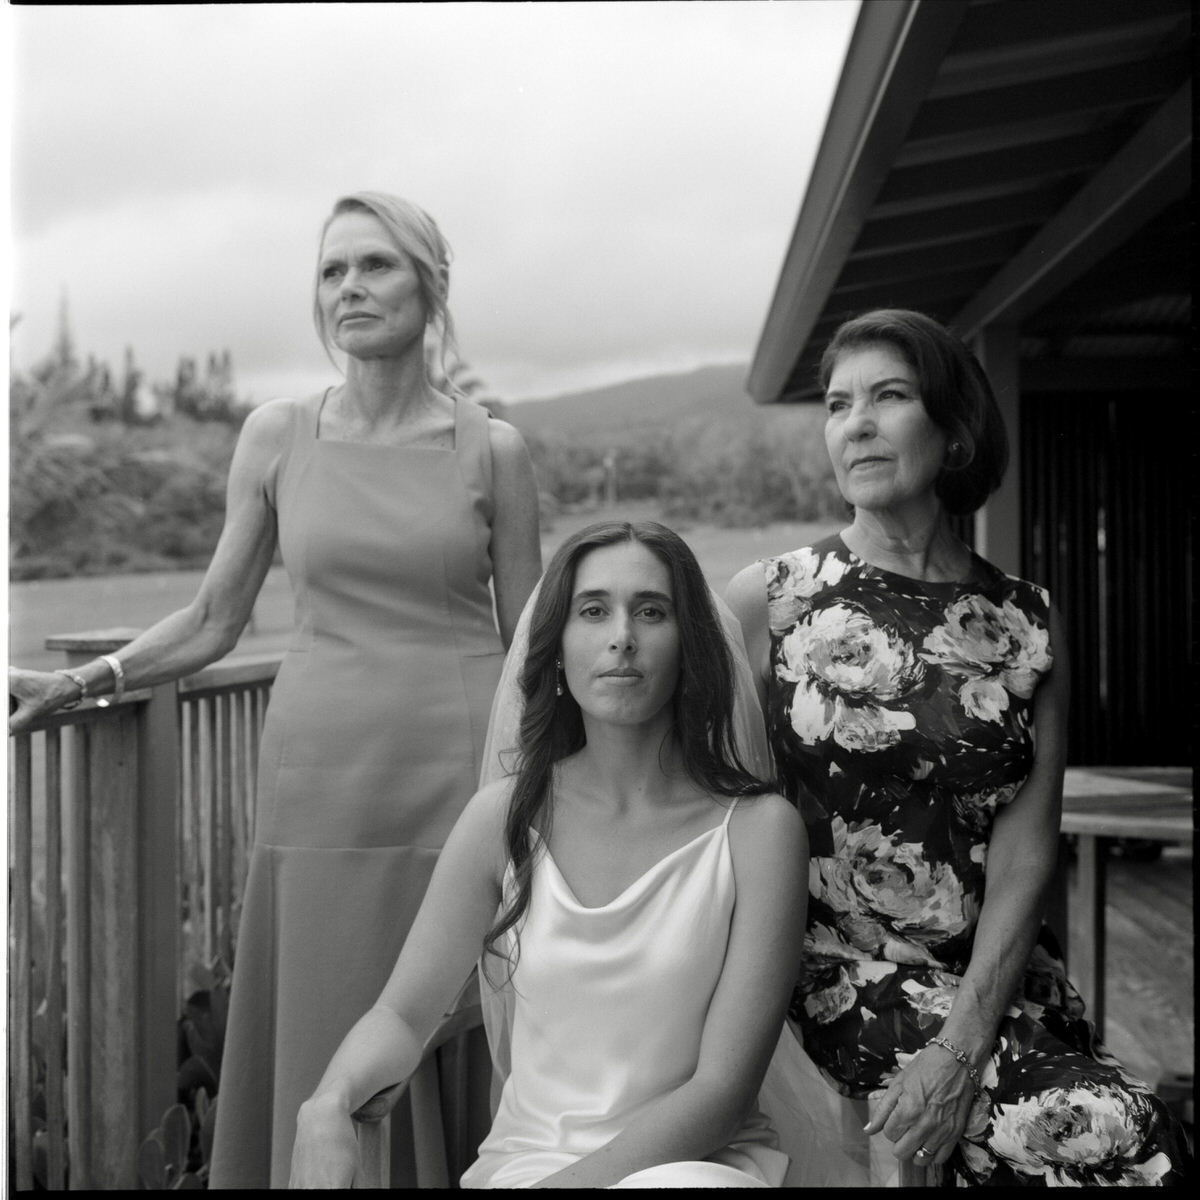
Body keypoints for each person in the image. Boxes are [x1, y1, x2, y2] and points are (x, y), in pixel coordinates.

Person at [7, 191, 543, 1188]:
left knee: (449, 1010)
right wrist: (87, 680)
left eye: (375, 266)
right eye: (332, 271)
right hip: (320, 784)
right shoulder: (275, 437)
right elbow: (216, 619)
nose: (350, 288)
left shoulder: (494, 450)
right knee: (329, 1004)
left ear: (430, 287)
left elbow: (530, 641)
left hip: (460, 782)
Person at [727, 308, 1191, 1186]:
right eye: (837, 404)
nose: (855, 422)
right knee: (1123, 1144)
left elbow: (1027, 844)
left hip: (995, 981)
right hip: (836, 979)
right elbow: (692, 785)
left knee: (1144, 1122)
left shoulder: (1027, 619)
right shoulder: (775, 599)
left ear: (953, 427)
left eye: (889, 396)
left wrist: (970, 1031)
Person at [289, 520, 809, 1188]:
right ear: (558, 649)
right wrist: (326, 1102)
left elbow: (720, 1093)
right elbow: (401, 1014)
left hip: (692, 1167)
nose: (622, 635)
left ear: (692, 648)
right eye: (593, 611)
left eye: (651, 611)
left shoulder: (760, 832)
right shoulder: (502, 821)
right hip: (527, 1163)